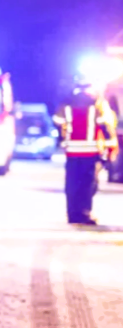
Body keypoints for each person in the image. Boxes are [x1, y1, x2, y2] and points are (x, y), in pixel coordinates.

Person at [57, 82, 118, 224]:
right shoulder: (96, 105)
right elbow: (104, 127)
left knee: (72, 184)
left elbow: (58, 121)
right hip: (89, 152)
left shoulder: (66, 103)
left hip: (72, 152)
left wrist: (63, 140)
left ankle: (72, 214)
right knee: (86, 185)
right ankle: (84, 213)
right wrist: (109, 148)